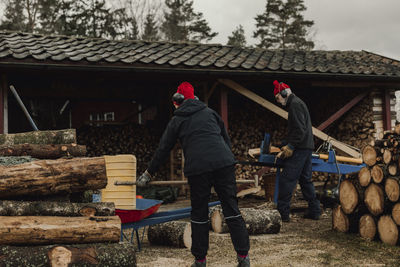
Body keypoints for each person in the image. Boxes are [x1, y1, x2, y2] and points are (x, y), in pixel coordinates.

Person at [137, 82, 250, 267]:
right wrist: (227, 160)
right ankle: (244, 258)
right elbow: (225, 137)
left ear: (177, 102)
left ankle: (200, 261)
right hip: (224, 164)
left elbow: (163, 149)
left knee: (199, 214)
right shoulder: (210, 112)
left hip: (199, 169)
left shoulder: (177, 120)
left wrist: (148, 173)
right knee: (232, 209)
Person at [273, 80, 321, 222]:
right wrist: (285, 142)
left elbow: (299, 130)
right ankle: (315, 210)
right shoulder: (297, 103)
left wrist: (290, 146)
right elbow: (299, 129)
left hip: (300, 148)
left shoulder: (295, 105)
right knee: (306, 180)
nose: (278, 100)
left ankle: (283, 214)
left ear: (283, 93)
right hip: (306, 147)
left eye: (278, 97)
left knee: (287, 179)